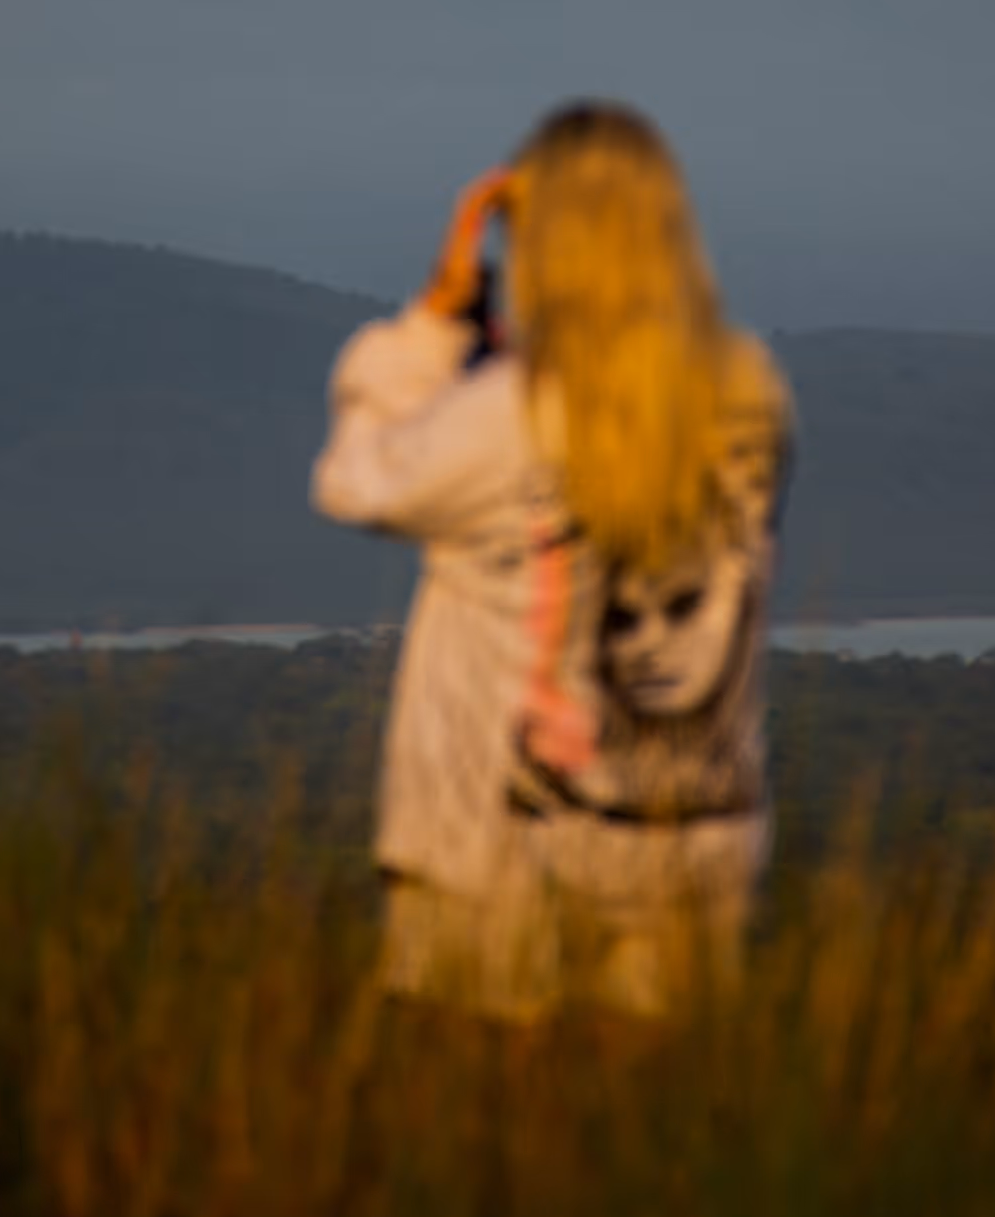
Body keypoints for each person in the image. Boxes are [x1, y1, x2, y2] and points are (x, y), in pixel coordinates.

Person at [310, 101, 793, 1020]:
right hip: (696, 832)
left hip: (503, 846)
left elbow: (358, 481)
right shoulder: (751, 392)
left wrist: (432, 327)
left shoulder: (514, 414)